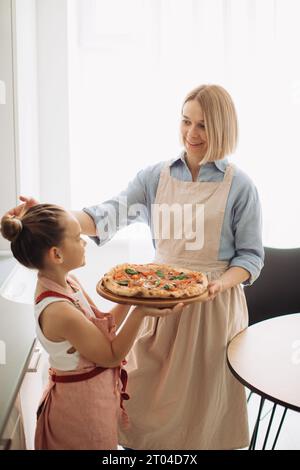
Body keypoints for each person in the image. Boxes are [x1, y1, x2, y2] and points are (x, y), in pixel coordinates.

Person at [7, 84, 264, 449]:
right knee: (146, 409)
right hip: (158, 304)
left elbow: (250, 259)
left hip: (212, 311)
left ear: (223, 128)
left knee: (204, 417)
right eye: (186, 121)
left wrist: (220, 285)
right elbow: (103, 217)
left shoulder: (241, 187)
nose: (191, 134)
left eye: (203, 126)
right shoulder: (155, 177)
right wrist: (45, 217)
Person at [0, 204, 184, 450]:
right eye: (78, 238)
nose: (85, 242)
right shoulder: (59, 311)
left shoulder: (67, 282)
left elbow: (99, 329)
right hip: (79, 413)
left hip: (93, 400)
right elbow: (110, 355)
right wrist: (140, 312)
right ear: (57, 255)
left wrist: (133, 294)